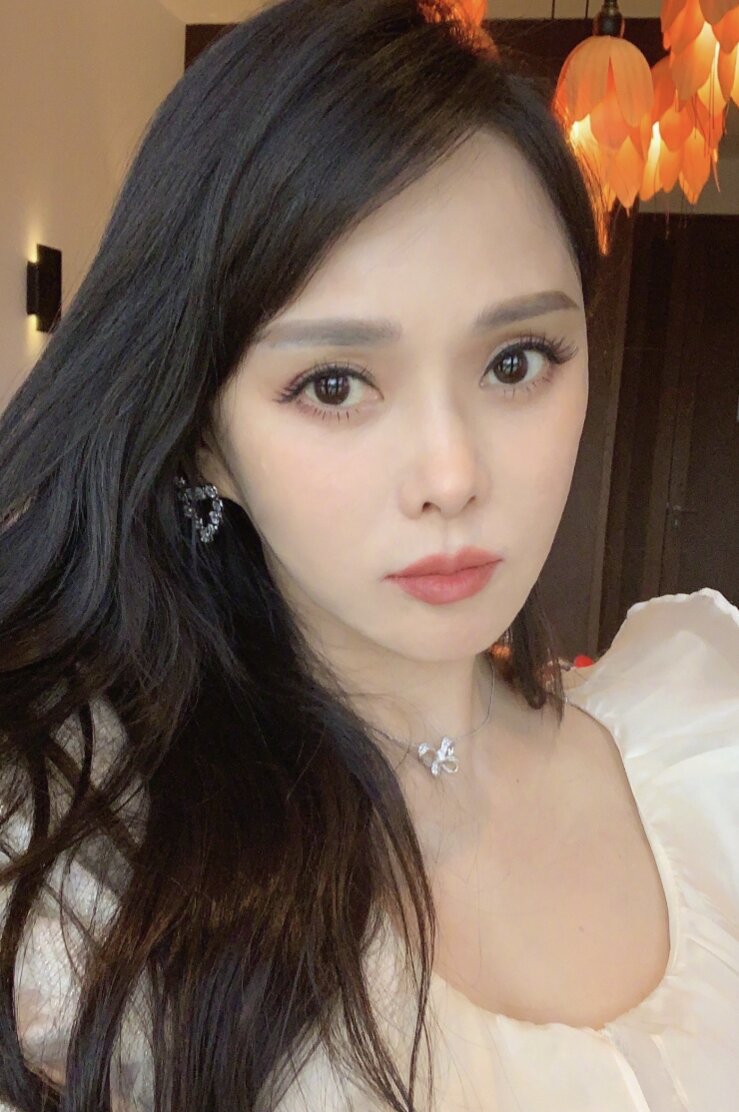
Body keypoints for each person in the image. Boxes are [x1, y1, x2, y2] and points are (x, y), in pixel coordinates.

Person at [0, 0, 736, 1108]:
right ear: (205, 439)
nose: (452, 475)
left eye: (516, 361)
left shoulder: (709, 751)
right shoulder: (86, 887)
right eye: (334, 384)